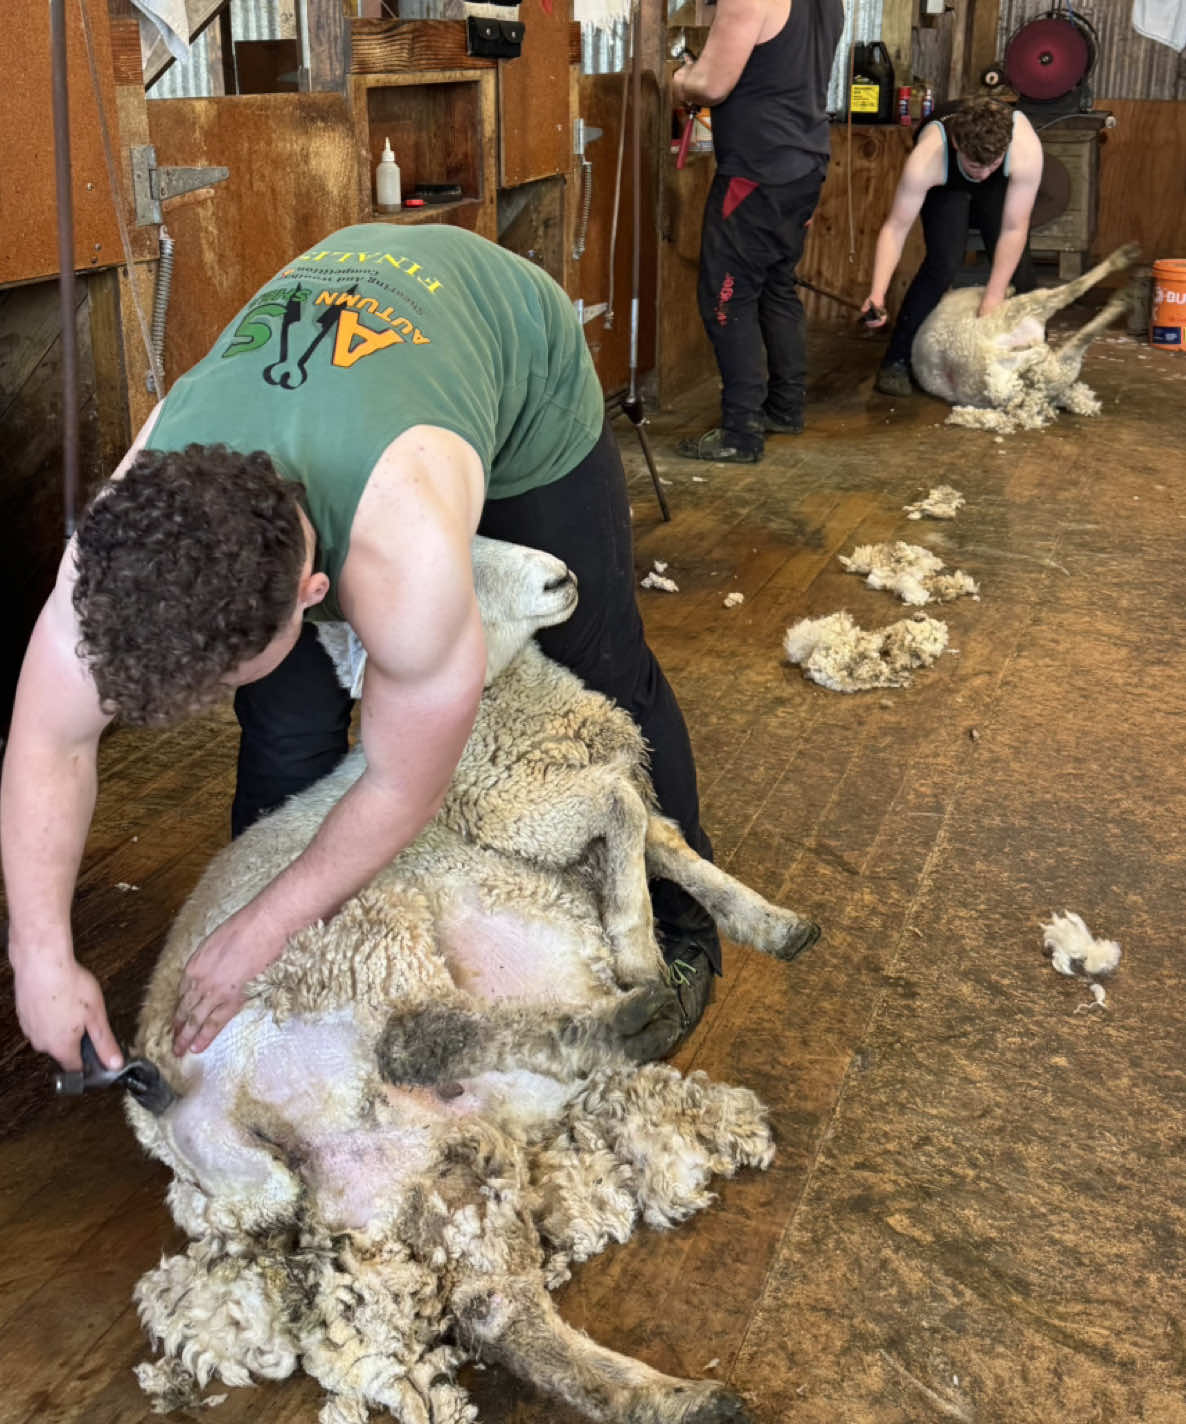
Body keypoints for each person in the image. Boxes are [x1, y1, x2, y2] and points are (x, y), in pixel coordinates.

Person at [1, 224, 720, 1075]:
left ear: (315, 597)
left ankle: (684, 929)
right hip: (347, 336)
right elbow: (50, 738)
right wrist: (40, 954)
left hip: (514, 355)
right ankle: (301, 973)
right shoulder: (118, 544)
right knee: (282, 725)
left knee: (598, 666)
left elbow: (399, 780)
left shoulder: (401, 557)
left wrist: (258, 930)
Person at [671, 0, 844, 464]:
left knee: (726, 294)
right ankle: (785, 408)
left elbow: (713, 84)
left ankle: (741, 432)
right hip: (805, 161)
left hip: (757, 169)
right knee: (776, 285)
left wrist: (678, 80)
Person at [863, 96, 1044, 395]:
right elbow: (895, 229)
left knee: (1019, 270)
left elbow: (1014, 228)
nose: (982, 174)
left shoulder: (1025, 152)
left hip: (998, 182)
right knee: (943, 262)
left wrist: (994, 296)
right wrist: (877, 294)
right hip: (947, 182)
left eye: (992, 165)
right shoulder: (927, 159)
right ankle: (895, 361)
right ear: (958, 144)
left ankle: (1035, 359)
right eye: (976, 166)